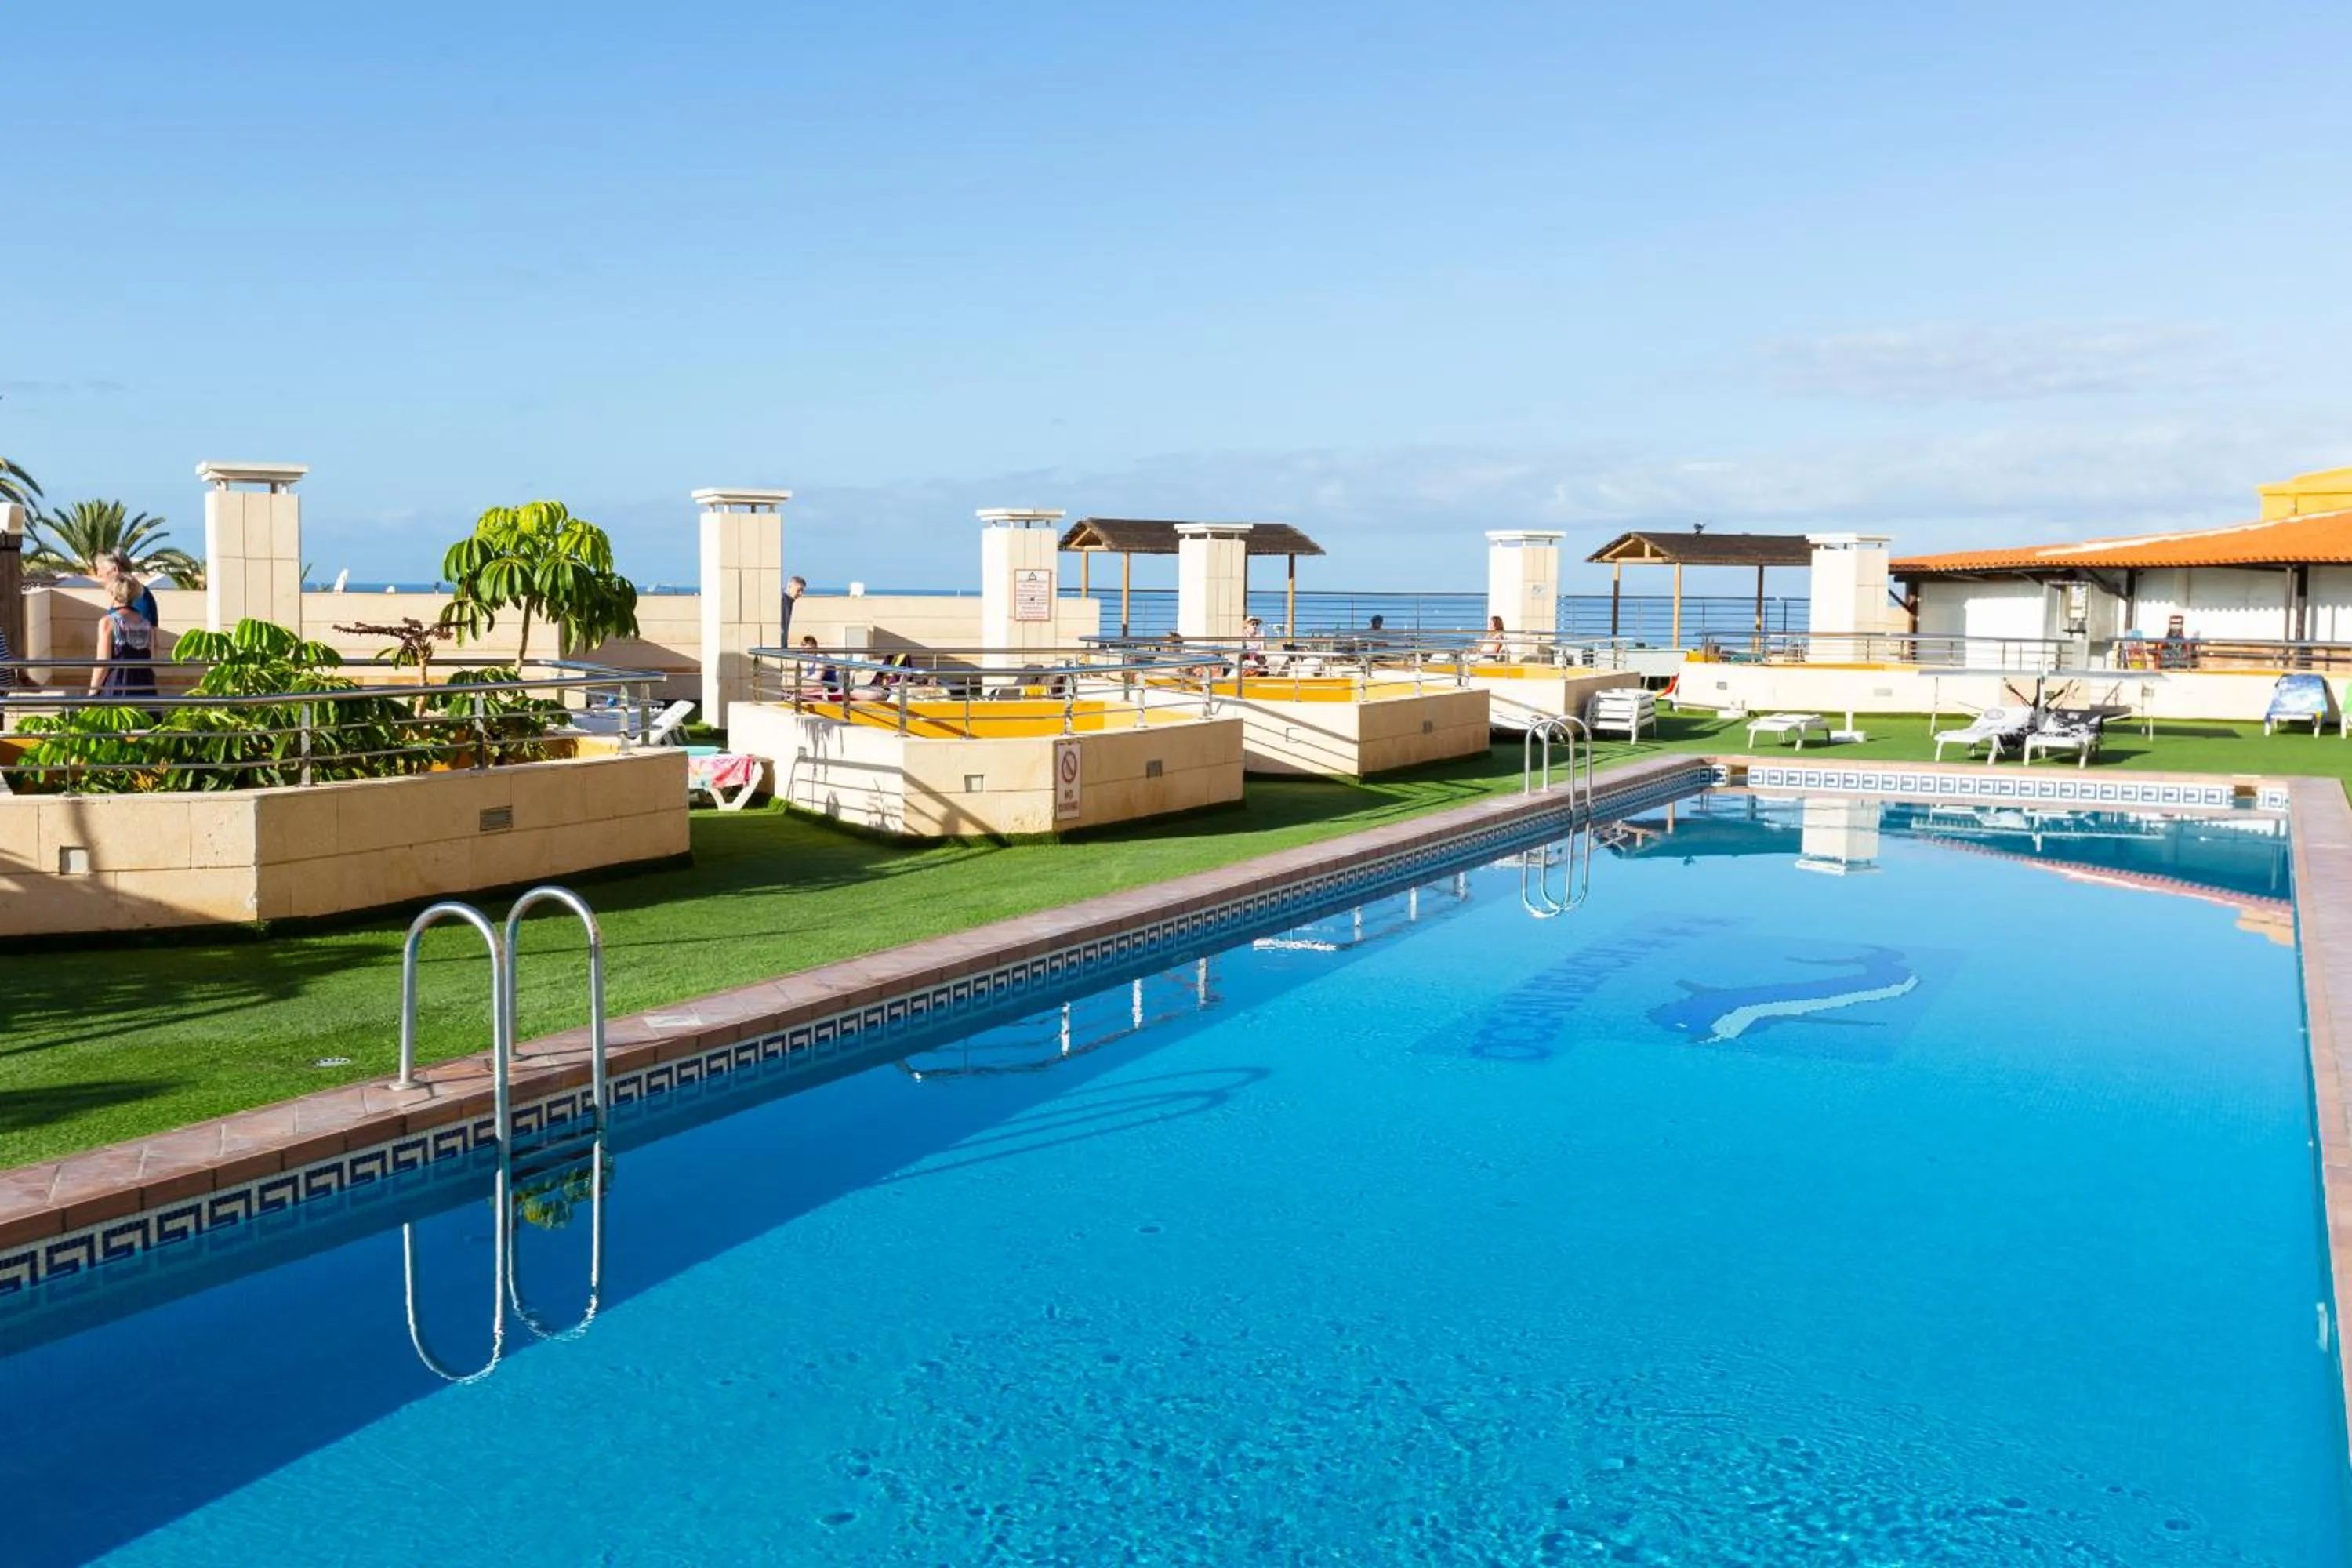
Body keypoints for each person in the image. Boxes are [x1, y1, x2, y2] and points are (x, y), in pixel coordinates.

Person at [89, 572, 159, 702]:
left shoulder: (108, 622)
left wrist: (92, 693)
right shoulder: (146, 624)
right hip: (145, 687)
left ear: (113, 594)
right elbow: (152, 659)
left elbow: (102, 664)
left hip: (117, 687)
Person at [96, 550, 162, 643]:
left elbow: (149, 638)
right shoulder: (123, 597)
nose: (98, 574)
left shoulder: (139, 595)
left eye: (101, 569)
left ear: (115, 570)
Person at [780, 575, 807, 642]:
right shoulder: (783, 600)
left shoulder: (788, 601)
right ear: (790, 587)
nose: (801, 593)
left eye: (802, 590)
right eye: (798, 590)